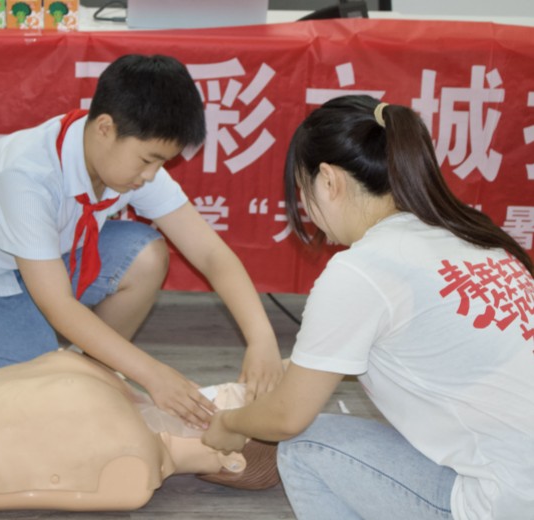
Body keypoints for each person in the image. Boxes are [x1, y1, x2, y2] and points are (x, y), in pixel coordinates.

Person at [0, 54, 282, 427]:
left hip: (34, 265)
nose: (151, 175)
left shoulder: (125, 162)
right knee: (47, 406)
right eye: (148, 160)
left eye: (162, 163)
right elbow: (58, 305)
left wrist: (261, 337)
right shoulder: (27, 175)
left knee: (147, 257)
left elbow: (210, 253)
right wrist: (152, 374)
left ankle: (84, 377)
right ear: (105, 128)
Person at [202, 95, 534, 520]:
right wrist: (293, 370)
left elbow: (287, 418)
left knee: (304, 447)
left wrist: (229, 423)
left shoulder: (363, 269)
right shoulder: (473, 237)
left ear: (328, 180)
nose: (307, 208)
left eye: (303, 190)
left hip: (505, 502)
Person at [0, 317, 280, 515]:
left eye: (229, 401)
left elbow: (24, 492)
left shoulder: (135, 469)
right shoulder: (124, 397)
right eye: (226, 389)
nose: (215, 392)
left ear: (232, 460)